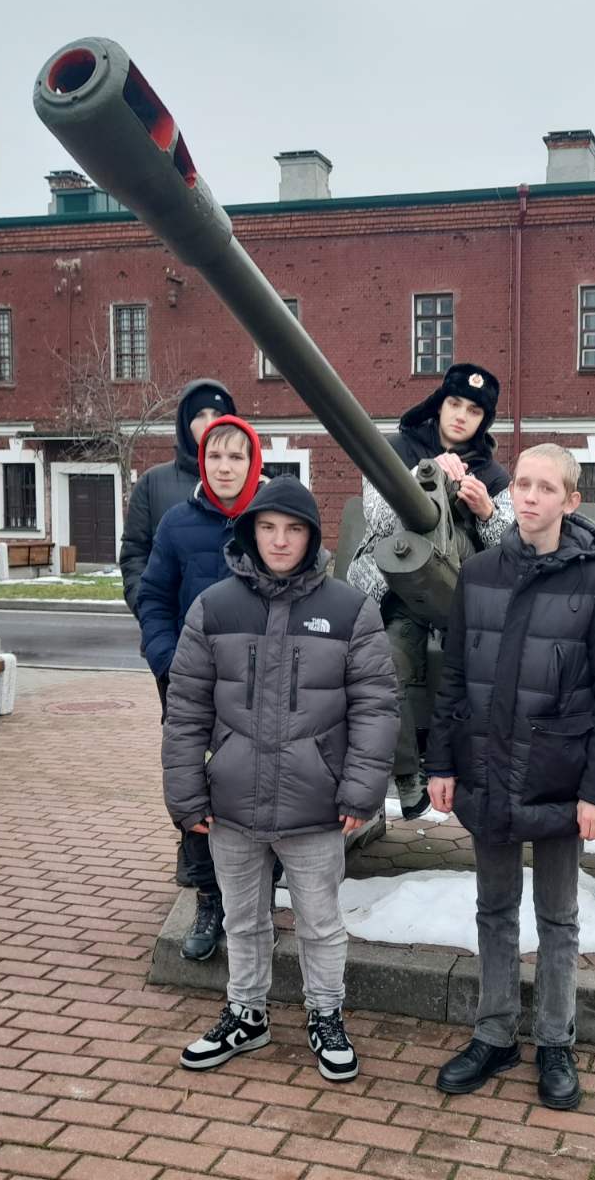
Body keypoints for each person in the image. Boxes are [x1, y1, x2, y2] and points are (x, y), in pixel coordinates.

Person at [163, 475, 399, 1082]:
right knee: (242, 919)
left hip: (315, 802)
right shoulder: (214, 607)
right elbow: (186, 708)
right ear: (250, 531)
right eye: (267, 527)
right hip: (232, 799)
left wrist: (360, 790)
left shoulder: (349, 609)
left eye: (293, 529)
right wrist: (186, 792)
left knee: (320, 922)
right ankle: (246, 1013)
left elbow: (376, 707)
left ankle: (326, 1014)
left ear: (311, 537)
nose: (279, 540)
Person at [425, 444, 595, 1111]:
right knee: (493, 909)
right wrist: (441, 762)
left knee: (558, 916)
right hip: (487, 768)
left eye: (546, 487)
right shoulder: (479, 574)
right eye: (522, 484)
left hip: (558, 775)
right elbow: (454, 675)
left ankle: (554, 1040)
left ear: (572, 501)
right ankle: (494, 1033)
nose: (531, 497)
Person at [345, 363, 516, 819]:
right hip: (396, 592)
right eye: (454, 404)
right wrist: (425, 477)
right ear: (439, 405)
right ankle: (406, 774)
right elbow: (379, 520)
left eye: (474, 411)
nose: (461, 416)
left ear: (484, 420)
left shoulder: (492, 474)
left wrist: (486, 511)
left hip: (458, 595)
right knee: (385, 668)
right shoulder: (396, 450)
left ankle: (478, 775)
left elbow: (510, 546)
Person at [137, 415, 263, 961]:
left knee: (257, 786)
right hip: (192, 683)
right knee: (196, 789)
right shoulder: (177, 524)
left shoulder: (272, 521)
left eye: (236, 456)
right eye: (215, 456)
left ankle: (255, 899)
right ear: (202, 462)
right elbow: (154, 597)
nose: (225, 467)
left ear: (253, 462)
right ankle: (208, 899)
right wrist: (167, 661)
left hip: (258, 686)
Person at [121, 379, 238, 630]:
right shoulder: (152, 483)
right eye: (200, 415)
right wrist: (152, 616)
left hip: (237, 637)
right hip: (174, 636)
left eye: (218, 414)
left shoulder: (253, 484)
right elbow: (134, 555)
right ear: (185, 423)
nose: (210, 423)